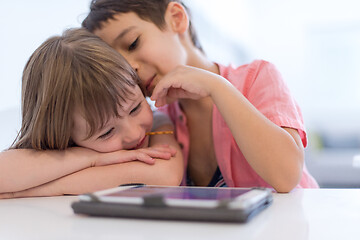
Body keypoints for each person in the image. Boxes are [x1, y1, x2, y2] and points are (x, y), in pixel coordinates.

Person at [81, 0, 319, 192]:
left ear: (176, 19)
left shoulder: (258, 77)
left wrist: (216, 87)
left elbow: (286, 176)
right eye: (118, 64)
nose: (129, 68)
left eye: (133, 43)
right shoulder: (157, 123)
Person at [0, 28, 183, 199]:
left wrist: (47, 188)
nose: (134, 134)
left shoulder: (159, 122)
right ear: (64, 136)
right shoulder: (71, 149)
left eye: (135, 108)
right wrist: (93, 159)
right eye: (107, 132)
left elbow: (165, 176)